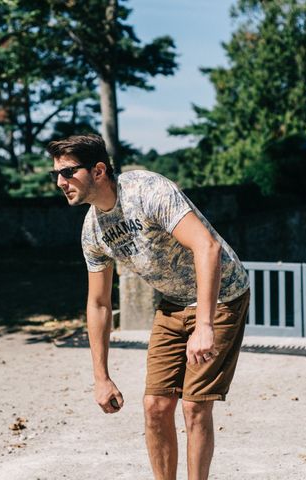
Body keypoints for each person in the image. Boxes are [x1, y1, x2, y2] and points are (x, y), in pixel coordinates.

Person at [46, 134, 250, 480]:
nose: (59, 182)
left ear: (98, 170)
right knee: (155, 406)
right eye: (56, 174)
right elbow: (97, 304)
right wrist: (101, 378)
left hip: (220, 296)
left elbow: (207, 247)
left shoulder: (146, 190)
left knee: (194, 406)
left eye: (67, 172)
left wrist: (204, 326)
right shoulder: (93, 230)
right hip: (172, 304)